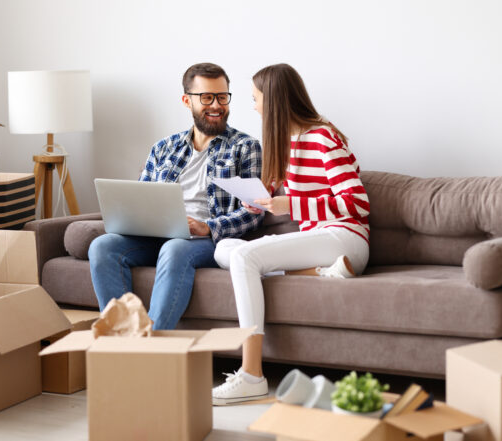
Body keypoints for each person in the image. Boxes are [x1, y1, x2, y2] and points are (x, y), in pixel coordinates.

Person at [211, 64, 370, 405]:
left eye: (255, 99)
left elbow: (356, 203)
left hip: (344, 237)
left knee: (244, 257)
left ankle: (251, 374)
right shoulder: (287, 143)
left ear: (273, 101)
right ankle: (322, 274)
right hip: (321, 247)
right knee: (224, 249)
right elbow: (282, 199)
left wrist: (293, 206)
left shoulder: (323, 137)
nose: (252, 107)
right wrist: (260, 202)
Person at [88, 62, 264, 330]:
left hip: (204, 240)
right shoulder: (164, 147)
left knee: (174, 247)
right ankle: (121, 340)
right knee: (102, 246)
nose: (216, 105)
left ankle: (155, 343)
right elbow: (141, 196)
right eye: (206, 97)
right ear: (187, 100)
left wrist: (208, 227)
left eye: (222, 97)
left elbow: (253, 212)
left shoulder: (245, 147)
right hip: (155, 236)